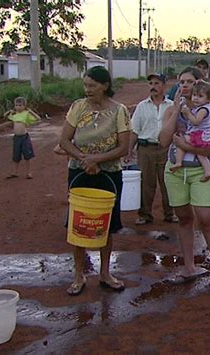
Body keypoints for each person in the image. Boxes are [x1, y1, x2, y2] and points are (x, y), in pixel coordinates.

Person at [159, 66, 210, 295]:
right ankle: (189, 267)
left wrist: (186, 146)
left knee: (207, 220)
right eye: (181, 82)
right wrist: (175, 109)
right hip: (176, 170)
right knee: (183, 218)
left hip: (201, 171)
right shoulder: (172, 109)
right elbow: (163, 140)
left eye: (189, 82)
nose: (185, 86)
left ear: (199, 84)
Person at [59, 66, 131, 296]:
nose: (87, 90)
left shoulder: (119, 111)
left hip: (109, 174)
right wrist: (83, 158)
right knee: (78, 224)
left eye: (92, 85)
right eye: (85, 85)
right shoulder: (78, 107)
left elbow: (123, 147)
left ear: (105, 86)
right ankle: (79, 275)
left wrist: (97, 160)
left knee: (106, 225)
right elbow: (64, 140)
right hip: (80, 172)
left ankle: (105, 273)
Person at [128, 73, 178, 225]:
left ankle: (170, 213)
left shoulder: (172, 106)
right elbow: (135, 130)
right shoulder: (142, 107)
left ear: (164, 86)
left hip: (166, 148)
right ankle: (144, 214)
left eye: (157, 83)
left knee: (168, 182)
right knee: (146, 183)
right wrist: (129, 150)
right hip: (146, 149)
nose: (153, 87)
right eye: (150, 84)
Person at [169, 81, 210, 182]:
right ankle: (207, 171)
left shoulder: (203, 109)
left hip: (199, 134)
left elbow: (196, 121)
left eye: (200, 96)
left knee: (180, 140)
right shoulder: (202, 107)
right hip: (203, 135)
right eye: (194, 95)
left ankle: (178, 161)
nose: (195, 98)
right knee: (200, 154)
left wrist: (187, 113)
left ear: (208, 99)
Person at [4, 97, 41, 179]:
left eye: (20, 105)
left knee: (27, 156)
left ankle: (29, 172)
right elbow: (5, 116)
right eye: (16, 105)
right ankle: (15, 172)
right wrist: (10, 111)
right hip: (16, 137)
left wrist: (31, 111)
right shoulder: (14, 114)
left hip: (24, 137)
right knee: (16, 156)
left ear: (24, 106)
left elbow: (38, 118)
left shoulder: (26, 114)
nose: (18, 107)